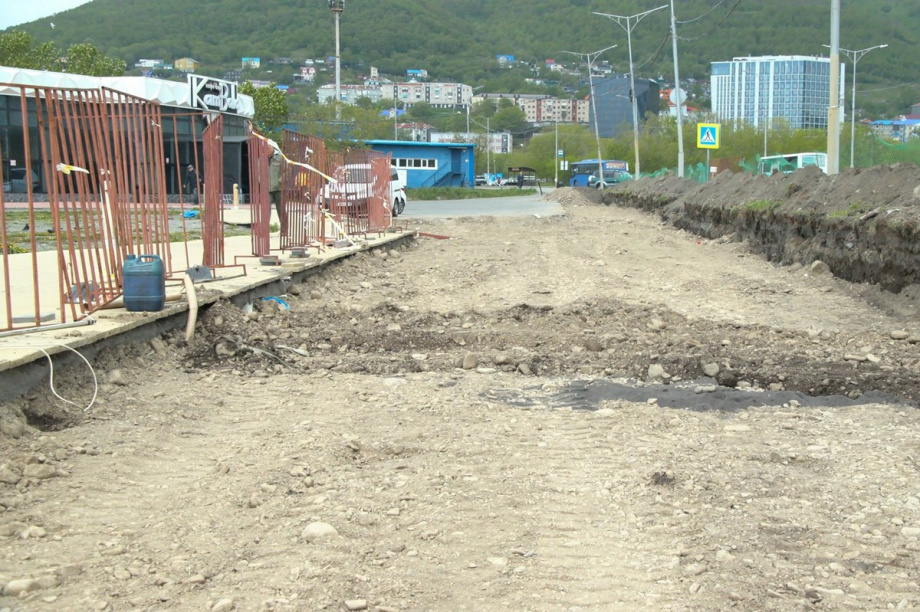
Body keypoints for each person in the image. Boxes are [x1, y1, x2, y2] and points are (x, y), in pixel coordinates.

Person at [268, 149, 285, 233]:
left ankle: (284, 229)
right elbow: (258, 170)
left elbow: (285, 170)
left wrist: (281, 179)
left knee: (281, 209)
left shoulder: (280, 157)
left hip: (279, 187)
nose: (267, 148)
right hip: (267, 188)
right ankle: (265, 229)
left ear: (272, 147)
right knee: (266, 209)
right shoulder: (262, 157)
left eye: (268, 147)